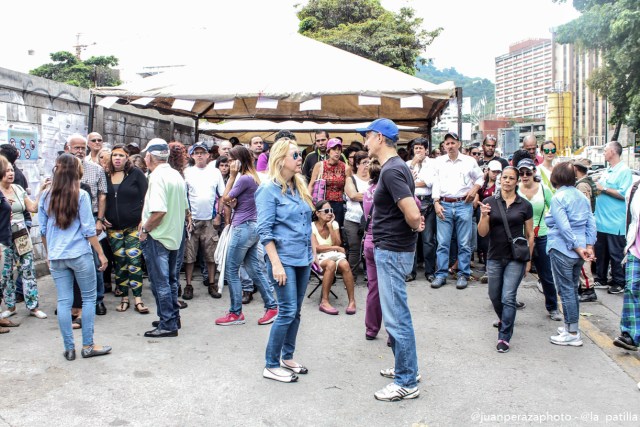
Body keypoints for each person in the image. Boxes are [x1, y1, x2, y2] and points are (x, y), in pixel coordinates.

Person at [358, 118, 424, 402]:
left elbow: (412, 213)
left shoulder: (392, 170)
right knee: (397, 314)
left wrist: (411, 227)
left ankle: (406, 381)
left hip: (392, 250)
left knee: (397, 318)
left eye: (367, 137)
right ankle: (405, 367)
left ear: (380, 138)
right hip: (395, 248)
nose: (365, 142)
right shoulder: (397, 168)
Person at [39, 154, 111, 360]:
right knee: (88, 299)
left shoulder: (45, 196)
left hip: (57, 256)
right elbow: (89, 230)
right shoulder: (81, 195)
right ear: (76, 171)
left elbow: (42, 231)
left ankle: (69, 348)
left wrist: (49, 254)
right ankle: (88, 345)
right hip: (79, 254)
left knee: (64, 301)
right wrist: (101, 253)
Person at [256, 137, 314, 383]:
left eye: (300, 154)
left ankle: (287, 357)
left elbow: (306, 223)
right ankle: (271, 364)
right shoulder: (268, 189)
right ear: (281, 160)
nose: (300, 158)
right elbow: (264, 231)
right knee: (287, 311)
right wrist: (276, 264)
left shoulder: (298, 185)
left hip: (303, 258)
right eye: (296, 155)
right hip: (284, 260)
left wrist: (313, 253)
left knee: (296, 311)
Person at [215, 146, 278, 326]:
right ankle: (272, 307)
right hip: (251, 226)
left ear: (239, 160)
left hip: (243, 228)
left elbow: (224, 198)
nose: (229, 163)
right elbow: (238, 203)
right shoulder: (254, 177)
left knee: (231, 270)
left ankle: (235, 313)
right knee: (254, 269)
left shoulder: (243, 178)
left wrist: (232, 176)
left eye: (231, 159)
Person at [478, 166, 534, 353]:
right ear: (500, 179)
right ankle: (505, 319)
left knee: (508, 297)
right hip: (494, 255)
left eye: (512, 178)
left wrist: (529, 260)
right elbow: (482, 233)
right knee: (495, 296)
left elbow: (529, 235)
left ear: (517, 181)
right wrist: (484, 216)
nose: (508, 181)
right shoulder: (489, 202)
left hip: (516, 258)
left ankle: (504, 336)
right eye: (505, 177)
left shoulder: (525, 205)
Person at [139, 139, 189, 338]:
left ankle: (168, 323)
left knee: (160, 282)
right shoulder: (175, 174)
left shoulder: (157, 177)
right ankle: (171, 317)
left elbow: (159, 211)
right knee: (170, 280)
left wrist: (145, 229)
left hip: (159, 236)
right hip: (175, 235)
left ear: (150, 156)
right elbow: (186, 208)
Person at [546, 162, 596, 346]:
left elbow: (563, 226)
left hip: (563, 249)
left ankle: (572, 332)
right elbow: (591, 222)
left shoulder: (558, 198)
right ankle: (571, 326)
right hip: (578, 250)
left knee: (566, 290)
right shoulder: (580, 196)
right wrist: (588, 246)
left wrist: (577, 247)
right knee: (572, 290)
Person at [431, 132, 484, 290]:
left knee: (464, 243)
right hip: (444, 204)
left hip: (463, 204)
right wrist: (435, 202)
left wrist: (474, 189)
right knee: (442, 243)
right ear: (444, 146)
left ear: (459, 144)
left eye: (453, 142)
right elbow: (435, 182)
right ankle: (440, 275)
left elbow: (480, 178)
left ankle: (463, 274)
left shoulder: (469, 161)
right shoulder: (439, 162)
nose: (450, 146)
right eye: (447, 143)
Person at [104, 144, 149, 314]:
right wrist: (101, 217)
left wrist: (143, 219)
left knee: (134, 262)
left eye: (121, 155)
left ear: (127, 158)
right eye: (114, 155)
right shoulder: (106, 174)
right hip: (113, 228)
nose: (117, 158)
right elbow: (102, 197)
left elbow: (147, 197)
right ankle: (124, 298)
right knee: (120, 263)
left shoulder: (135, 173)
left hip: (133, 226)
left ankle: (138, 299)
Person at [0, 162, 47, 319]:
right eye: (6, 171)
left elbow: (33, 208)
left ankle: (33, 306)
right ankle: (10, 306)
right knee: (6, 273)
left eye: (12, 170)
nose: (10, 173)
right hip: (3, 236)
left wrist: (41, 190)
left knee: (28, 269)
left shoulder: (18, 189)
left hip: (21, 234)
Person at [68, 134, 108, 316]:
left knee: (95, 260)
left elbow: (102, 195)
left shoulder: (96, 169)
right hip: (67, 220)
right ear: (68, 148)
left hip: (91, 217)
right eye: (75, 147)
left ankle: (98, 299)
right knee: (70, 263)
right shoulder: (61, 170)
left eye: (82, 147)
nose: (79, 151)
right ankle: (72, 302)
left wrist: (99, 219)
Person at [516, 158, 561, 321]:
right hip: (519, 237)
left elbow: (557, 210)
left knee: (546, 274)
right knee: (515, 272)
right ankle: (509, 301)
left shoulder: (543, 189)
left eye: (528, 172)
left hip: (541, 235)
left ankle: (553, 307)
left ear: (534, 172)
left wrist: (556, 230)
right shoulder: (515, 189)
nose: (525, 175)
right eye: (521, 173)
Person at [182, 142, 225, 300]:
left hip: (209, 219)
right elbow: (183, 195)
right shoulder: (187, 172)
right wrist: (187, 216)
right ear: (191, 156)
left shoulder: (215, 173)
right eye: (196, 153)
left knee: (211, 254)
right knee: (189, 255)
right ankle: (188, 284)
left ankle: (212, 283)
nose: (200, 155)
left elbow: (221, 195)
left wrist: (218, 215)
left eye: (203, 152)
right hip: (192, 219)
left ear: (208, 155)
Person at [594, 141, 633, 295]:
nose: (603, 153)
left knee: (616, 254)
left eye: (605, 150)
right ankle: (602, 278)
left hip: (615, 222)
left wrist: (603, 188)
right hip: (601, 221)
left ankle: (619, 281)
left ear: (613, 152)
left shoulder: (624, 171)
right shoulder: (608, 170)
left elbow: (624, 194)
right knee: (601, 252)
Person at [312, 200, 357, 315]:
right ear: (317, 213)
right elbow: (316, 248)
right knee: (330, 264)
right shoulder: (311, 226)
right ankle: (324, 301)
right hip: (318, 258)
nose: (330, 213)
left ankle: (352, 301)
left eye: (331, 210)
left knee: (345, 264)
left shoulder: (334, 224)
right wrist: (334, 248)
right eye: (326, 211)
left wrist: (330, 227)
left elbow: (338, 243)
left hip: (334, 255)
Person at [613, 174, 640, 351]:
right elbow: (630, 219)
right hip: (635, 249)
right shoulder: (635, 188)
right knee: (631, 288)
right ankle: (630, 335)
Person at [406, 138, 437, 282]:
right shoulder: (408, 164)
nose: (418, 151)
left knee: (428, 240)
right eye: (416, 148)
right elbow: (404, 181)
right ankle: (410, 272)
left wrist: (412, 183)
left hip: (427, 202)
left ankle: (429, 272)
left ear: (426, 150)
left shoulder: (432, 164)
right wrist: (413, 165)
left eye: (420, 148)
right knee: (411, 240)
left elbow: (429, 182)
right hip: (412, 203)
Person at [308, 138, 351, 227]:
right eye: (334, 149)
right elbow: (311, 185)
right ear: (328, 151)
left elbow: (348, 188)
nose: (337, 152)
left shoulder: (345, 168)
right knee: (320, 230)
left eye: (339, 150)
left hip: (338, 205)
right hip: (322, 204)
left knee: (335, 230)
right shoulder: (320, 165)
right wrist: (308, 203)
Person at [573, 158, 598, 303]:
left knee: (583, 259)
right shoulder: (587, 182)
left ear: (576, 168)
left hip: (583, 225)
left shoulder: (582, 185)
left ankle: (588, 288)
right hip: (586, 224)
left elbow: (584, 207)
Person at [363, 159, 383, 340]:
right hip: (385, 243)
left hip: (368, 241)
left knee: (374, 288)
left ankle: (371, 329)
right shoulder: (388, 189)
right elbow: (414, 204)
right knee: (390, 290)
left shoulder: (367, 192)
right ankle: (393, 335)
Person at [343, 151, 370, 282]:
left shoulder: (374, 179)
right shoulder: (350, 179)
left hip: (370, 220)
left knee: (370, 248)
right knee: (354, 249)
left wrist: (363, 195)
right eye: (364, 162)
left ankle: (370, 276)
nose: (367, 165)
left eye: (369, 162)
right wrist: (371, 195)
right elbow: (353, 195)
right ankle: (351, 278)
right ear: (357, 164)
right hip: (353, 220)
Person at [0, 156, 17, 333]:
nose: (10, 172)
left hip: (5, 239)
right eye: (7, 168)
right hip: (0, 242)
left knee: (3, 280)